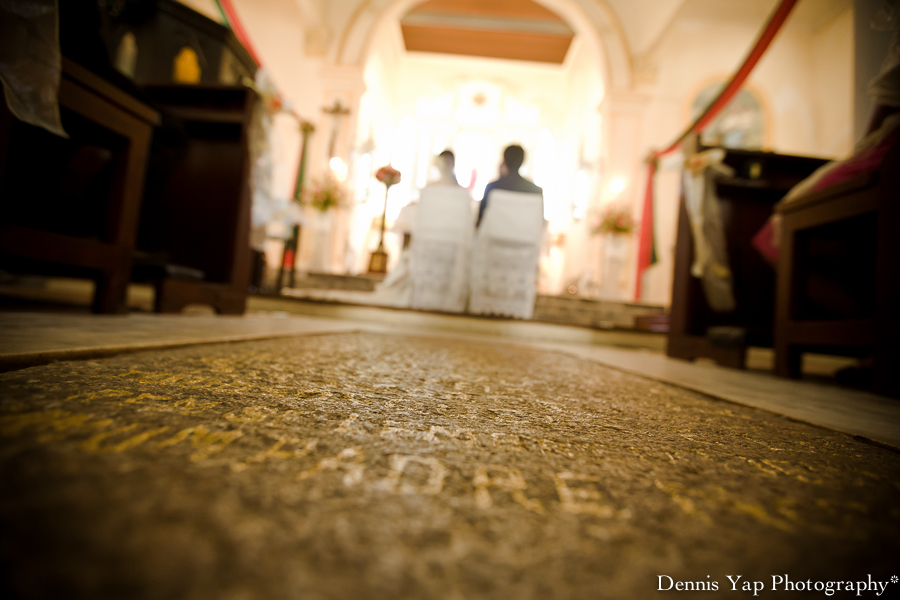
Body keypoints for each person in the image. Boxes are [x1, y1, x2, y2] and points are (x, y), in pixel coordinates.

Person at [373, 151, 472, 310]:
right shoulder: (462, 193)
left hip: (428, 244)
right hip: (453, 246)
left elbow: (418, 222)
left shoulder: (429, 190)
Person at [477, 145, 542, 228]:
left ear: (504, 160)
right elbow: (539, 223)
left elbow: (480, 220)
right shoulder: (536, 191)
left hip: (495, 236)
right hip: (524, 239)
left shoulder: (492, 187)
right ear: (523, 161)